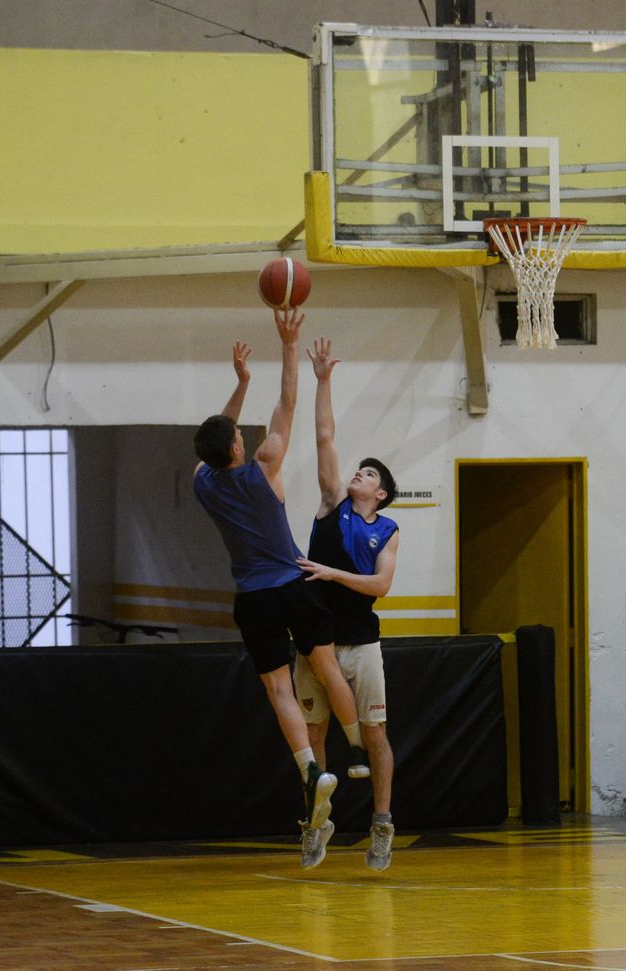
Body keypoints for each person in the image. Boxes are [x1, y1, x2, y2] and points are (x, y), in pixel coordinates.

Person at [191, 307, 368, 870]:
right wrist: (288, 346)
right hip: (293, 582)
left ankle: (309, 768)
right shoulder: (263, 465)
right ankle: (357, 751)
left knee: (278, 691)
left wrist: (239, 386)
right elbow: (287, 407)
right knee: (328, 669)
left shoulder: (203, 483)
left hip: (251, 597)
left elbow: (214, 439)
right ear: (240, 449)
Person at [294, 337, 402, 871]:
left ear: (380, 494)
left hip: (362, 644)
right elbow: (324, 435)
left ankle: (381, 823)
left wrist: (334, 573)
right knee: (312, 738)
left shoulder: (387, 530)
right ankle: (317, 823)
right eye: (359, 470)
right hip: (315, 641)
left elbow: (380, 587)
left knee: (375, 733)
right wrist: (322, 380)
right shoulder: (331, 505)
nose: (359, 473)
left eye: (370, 474)